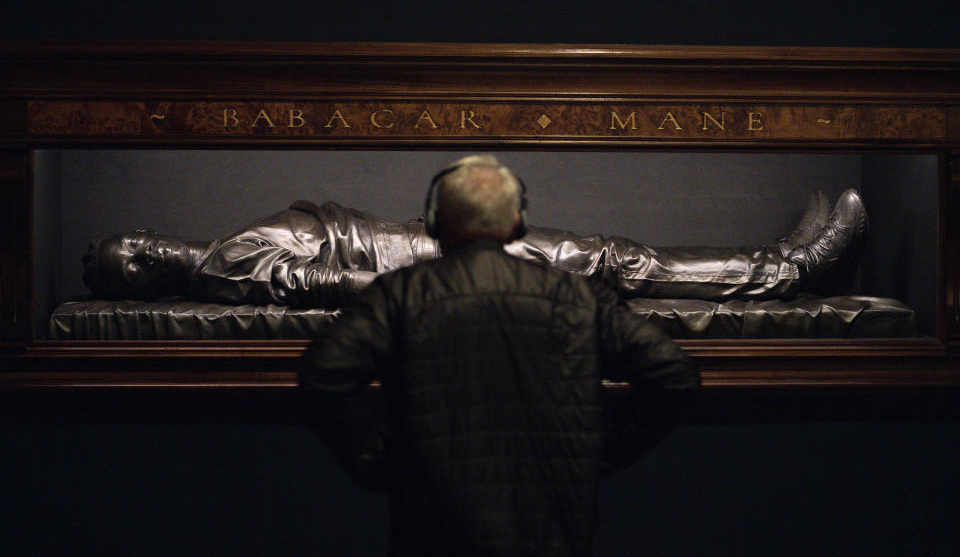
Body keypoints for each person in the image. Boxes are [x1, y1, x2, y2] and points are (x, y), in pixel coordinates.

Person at [298, 155, 701, 556]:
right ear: (518, 223)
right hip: (553, 529)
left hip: (432, 527)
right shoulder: (577, 296)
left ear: (437, 223)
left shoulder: (399, 295)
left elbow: (323, 375)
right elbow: (674, 375)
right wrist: (599, 451)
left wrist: (381, 463)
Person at [81, 183, 868, 308]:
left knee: (610, 255)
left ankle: (774, 263)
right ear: (143, 275)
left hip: (426, 244)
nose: (148, 244)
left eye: (136, 237)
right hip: (436, 262)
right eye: (137, 255)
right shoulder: (228, 271)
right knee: (612, 261)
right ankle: (786, 270)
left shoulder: (227, 249)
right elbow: (332, 285)